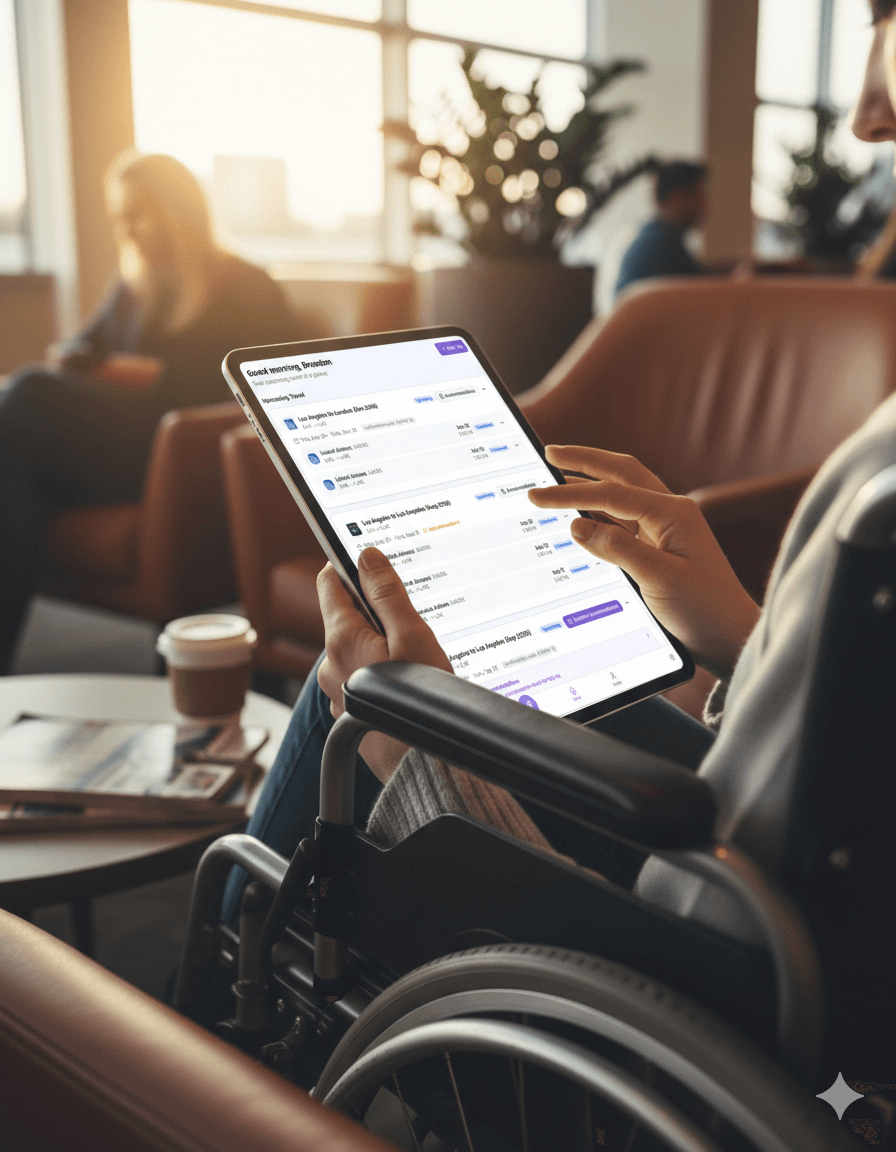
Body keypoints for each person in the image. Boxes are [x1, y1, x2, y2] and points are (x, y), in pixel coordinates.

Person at [224, 0, 896, 927]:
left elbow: (677, 975)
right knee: (432, 663)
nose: (866, 114)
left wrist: (415, 748)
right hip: (760, 885)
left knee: (359, 681)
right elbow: (864, 794)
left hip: (663, 989)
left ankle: (199, 1031)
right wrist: (743, 636)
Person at [0, 151, 304, 672]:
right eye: (119, 217)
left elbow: (248, 387)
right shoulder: (133, 289)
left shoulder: (246, 287)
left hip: (179, 461)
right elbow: (75, 350)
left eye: (138, 214)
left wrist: (121, 370)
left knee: (27, 392)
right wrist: (97, 363)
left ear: (176, 210)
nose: (128, 230)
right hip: (107, 455)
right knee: (16, 475)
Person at [613, 160, 708, 299]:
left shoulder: (656, 236)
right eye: (699, 194)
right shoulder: (662, 244)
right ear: (677, 197)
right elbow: (700, 299)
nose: (704, 203)